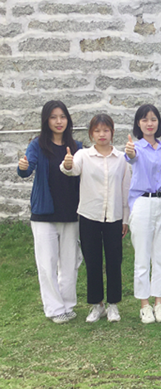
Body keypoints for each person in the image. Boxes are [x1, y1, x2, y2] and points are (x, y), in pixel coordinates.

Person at [60, 114, 130, 323]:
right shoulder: (83, 155)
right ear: (91, 134)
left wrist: (125, 219)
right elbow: (72, 170)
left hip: (114, 217)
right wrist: (67, 164)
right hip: (89, 215)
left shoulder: (121, 159)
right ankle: (96, 304)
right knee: (92, 261)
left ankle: (113, 304)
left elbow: (125, 190)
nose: (102, 134)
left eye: (106, 130)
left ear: (112, 133)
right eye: (97, 131)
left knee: (114, 261)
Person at [17, 100, 82, 324]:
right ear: (46, 120)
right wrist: (23, 167)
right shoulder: (38, 145)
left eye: (62, 117)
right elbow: (27, 168)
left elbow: (84, 172)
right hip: (44, 214)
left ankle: (68, 305)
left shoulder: (77, 146)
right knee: (47, 263)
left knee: (70, 263)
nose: (58, 121)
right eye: (53, 117)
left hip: (71, 212)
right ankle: (54, 309)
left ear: (68, 120)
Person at [125, 104, 161, 324]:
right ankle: (144, 305)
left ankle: (159, 303)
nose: (149, 123)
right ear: (139, 123)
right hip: (142, 204)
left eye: (153, 119)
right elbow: (131, 157)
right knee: (142, 256)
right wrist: (130, 153)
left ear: (159, 123)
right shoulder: (136, 148)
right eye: (145, 119)